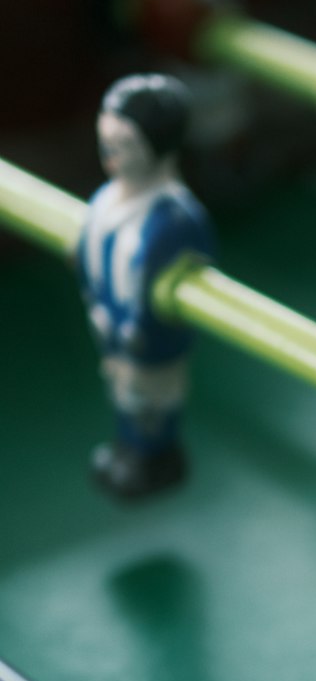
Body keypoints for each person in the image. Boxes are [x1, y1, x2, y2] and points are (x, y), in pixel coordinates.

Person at [78, 74, 213, 500]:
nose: (110, 153)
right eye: (106, 141)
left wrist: (141, 330)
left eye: (125, 144)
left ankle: (156, 457)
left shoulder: (174, 218)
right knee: (122, 391)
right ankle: (129, 448)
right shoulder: (105, 201)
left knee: (152, 399)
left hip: (147, 341)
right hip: (109, 324)